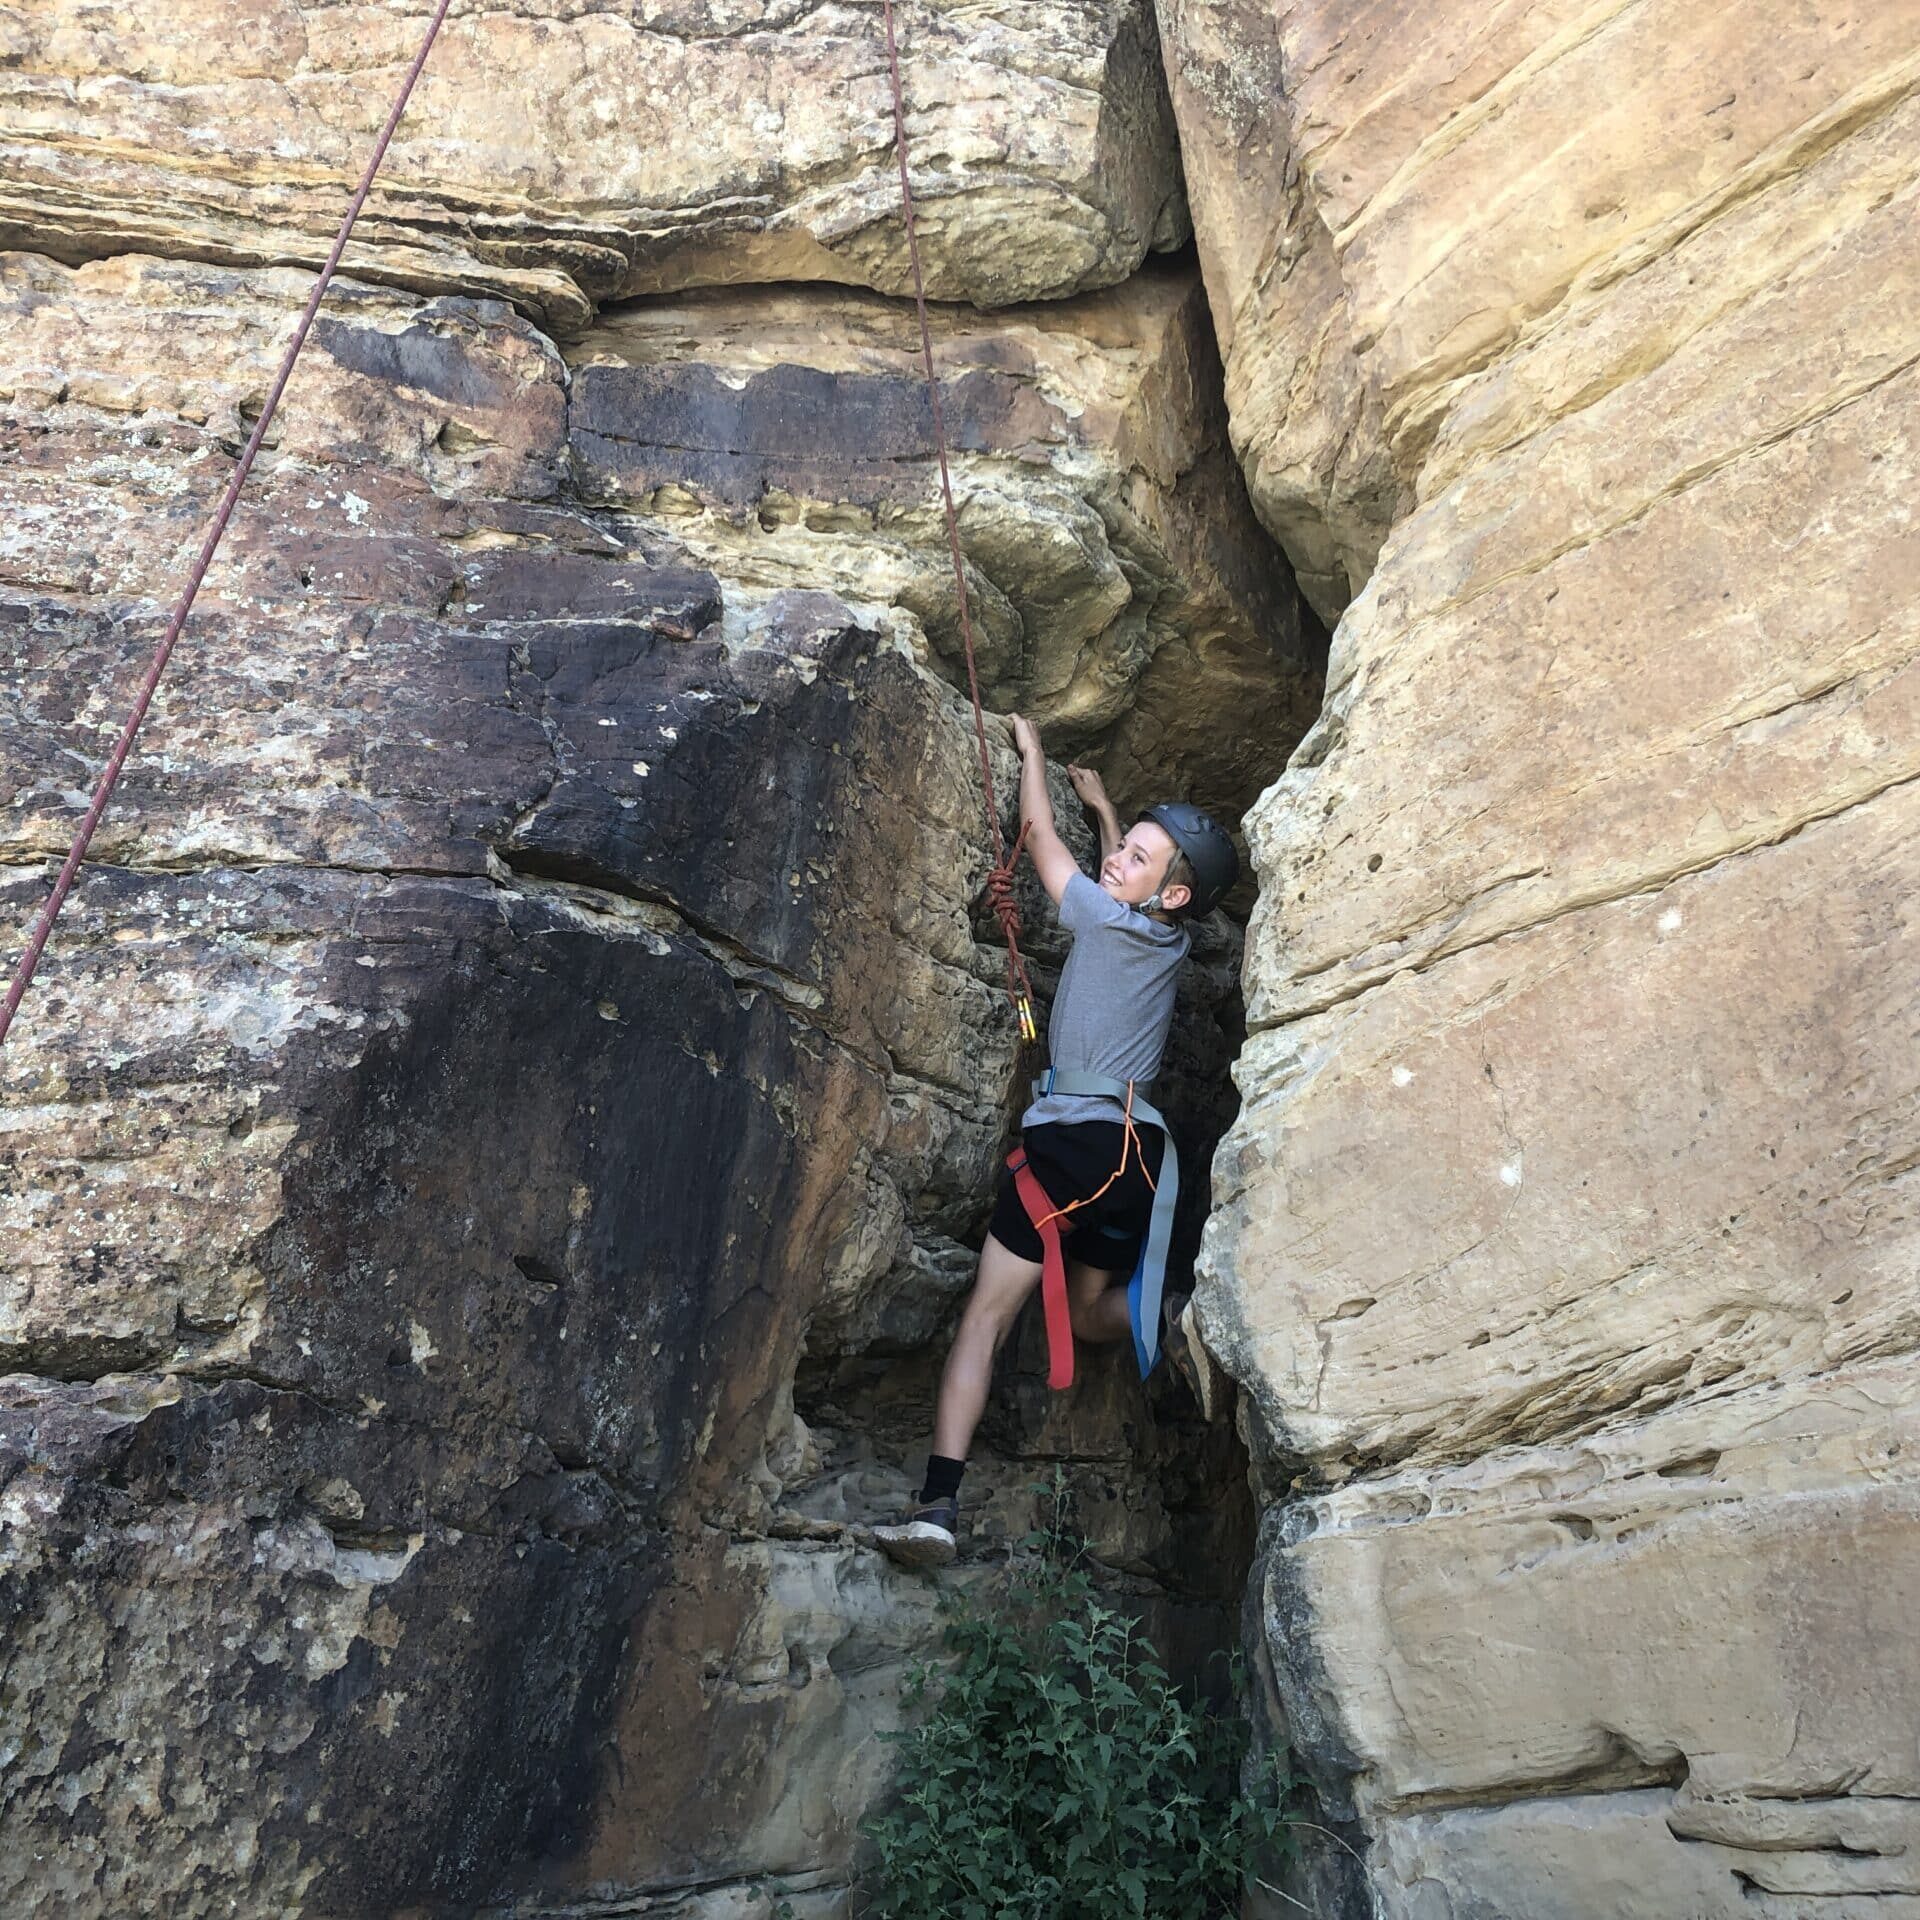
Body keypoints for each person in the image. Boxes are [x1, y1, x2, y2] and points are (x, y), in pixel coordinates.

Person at [873, 713, 1238, 1570]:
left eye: (1137, 858)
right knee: (1082, 1308)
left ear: (1170, 893)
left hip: (1072, 1149)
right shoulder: (1162, 937)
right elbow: (1128, 882)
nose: (1117, 863)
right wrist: (1110, 814)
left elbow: (1039, 839)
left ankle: (936, 1507)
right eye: (1126, 849)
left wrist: (1032, 755)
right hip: (1134, 1163)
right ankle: (1184, 1319)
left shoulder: (1109, 919)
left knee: (984, 1321)